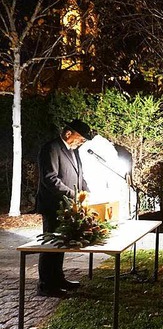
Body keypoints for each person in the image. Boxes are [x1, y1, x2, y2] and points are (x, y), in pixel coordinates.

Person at [35, 119, 94, 297]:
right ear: (68, 133)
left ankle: (58, 278)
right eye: (80, 138)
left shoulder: (73, 151)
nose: (81, 142)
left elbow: (79, 175)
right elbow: (50, 179)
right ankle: (46, 284)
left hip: (68, 206)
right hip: (53, 206)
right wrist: (73, 194)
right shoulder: (51, 148)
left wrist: (86, 191)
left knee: (62, 243)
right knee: (52, 244)